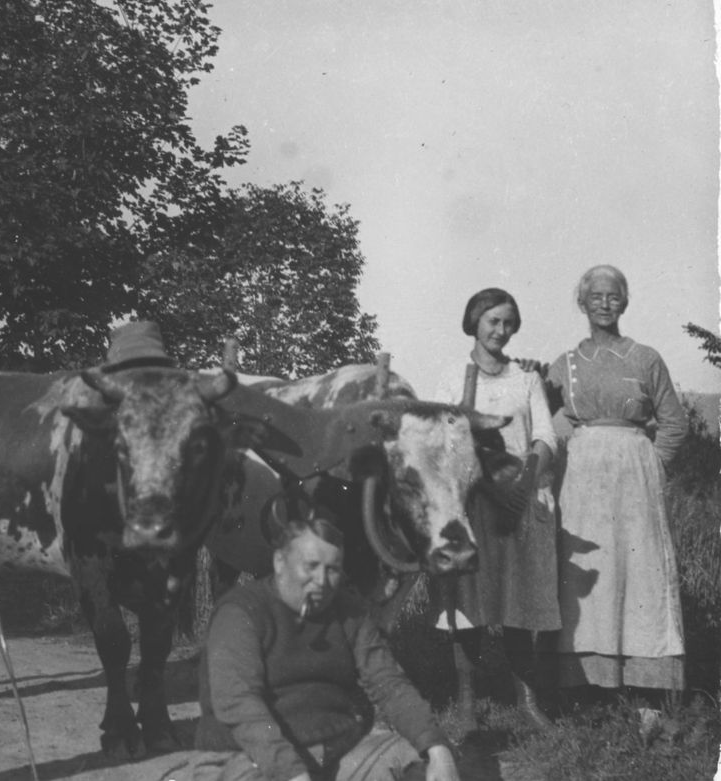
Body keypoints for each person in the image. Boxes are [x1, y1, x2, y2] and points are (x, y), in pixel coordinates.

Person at [192, 514, 460, 781]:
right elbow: (239, 703)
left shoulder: (349, 611)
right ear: (279, 562)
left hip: (333, 748)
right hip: (248, 754)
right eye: (310, 566)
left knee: (419, 767)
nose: (321, 580)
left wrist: (436, 747)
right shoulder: (241, 612)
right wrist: (291, 772)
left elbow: (388, 683)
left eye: (332, 569)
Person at [546, 265, 686, 703]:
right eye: (596, 297)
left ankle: (648, 690)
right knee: (589, 577)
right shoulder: (564, 365)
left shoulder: (645, 358)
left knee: (640, 571)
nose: (604, 304)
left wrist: (652, 466)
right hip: (583, 483)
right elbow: (546, 424)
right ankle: (588, 689)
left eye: (613, 297)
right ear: (582, 303)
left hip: (635, 479)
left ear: (624, 302)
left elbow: (674, 424)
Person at [430, 288, 559, 730]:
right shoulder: (452, 378)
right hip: (474, 505)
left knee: (521, 602)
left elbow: (546, 437)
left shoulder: (526, 380)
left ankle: (526, 701)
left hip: (519, 503)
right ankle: (467, 704)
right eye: (492, 321)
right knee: (468, 603)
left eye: (508, 323)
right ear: (474, 322)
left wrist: (524, 483)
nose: (501, 331)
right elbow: (444, 441)